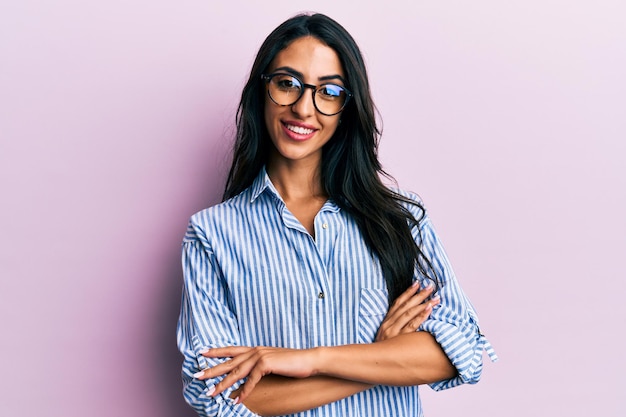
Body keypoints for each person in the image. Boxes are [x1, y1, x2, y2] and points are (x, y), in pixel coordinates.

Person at [177, 12, 497, 417]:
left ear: (347, 108)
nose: (303, 107)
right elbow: (218, 396)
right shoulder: (211, 235)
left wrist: (312, 359)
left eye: (328, 91)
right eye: (287, 83)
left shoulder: (400, 220)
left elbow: (461, 351)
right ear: (263, 90)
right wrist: (380, 360)